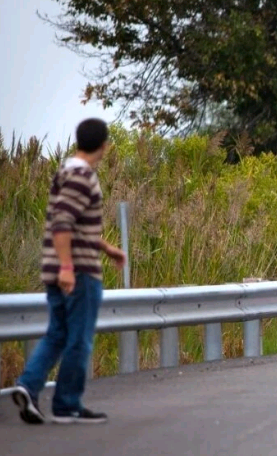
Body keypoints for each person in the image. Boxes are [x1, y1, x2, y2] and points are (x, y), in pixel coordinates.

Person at [10, 118, 125, 425]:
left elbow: (74, 225)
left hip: (57, 267)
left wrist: (107, 248)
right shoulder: (82, 176)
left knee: (58, 333)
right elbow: (62, 223)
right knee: (79, 339)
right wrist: (68, 268)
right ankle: (67, 405)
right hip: (78, 272)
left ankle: (28, 387)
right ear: (104, 146)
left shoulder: (64, 172)